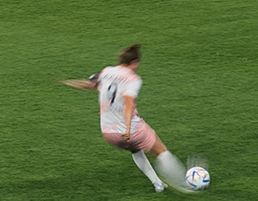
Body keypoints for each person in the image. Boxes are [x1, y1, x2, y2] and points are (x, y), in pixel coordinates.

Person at [60, 44, 192, 193]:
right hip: (130, 130)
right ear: (135, 62)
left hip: (109, 133)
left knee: (136, 149)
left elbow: (88, 84)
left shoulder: (106, 71)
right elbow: (128, 104)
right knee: (161, 151)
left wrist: (67, 82)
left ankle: (157, 183)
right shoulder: (133, 79)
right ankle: (186, 185)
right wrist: (128, 128)